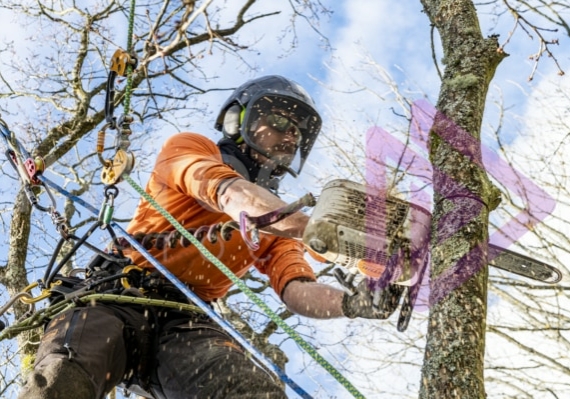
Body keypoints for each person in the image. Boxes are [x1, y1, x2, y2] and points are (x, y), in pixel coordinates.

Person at [18, 75, 399, 399]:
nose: (290, 136)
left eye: (298, 133)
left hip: (189, 320)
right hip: (118, 293)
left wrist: (353, 304)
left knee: (249, 389)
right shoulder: (191, 147)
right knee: (60, 381)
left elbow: (296, 289)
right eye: (281, 121)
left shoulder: (279, 228)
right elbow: (228, 193)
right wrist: (316, 230)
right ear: (241, 119)